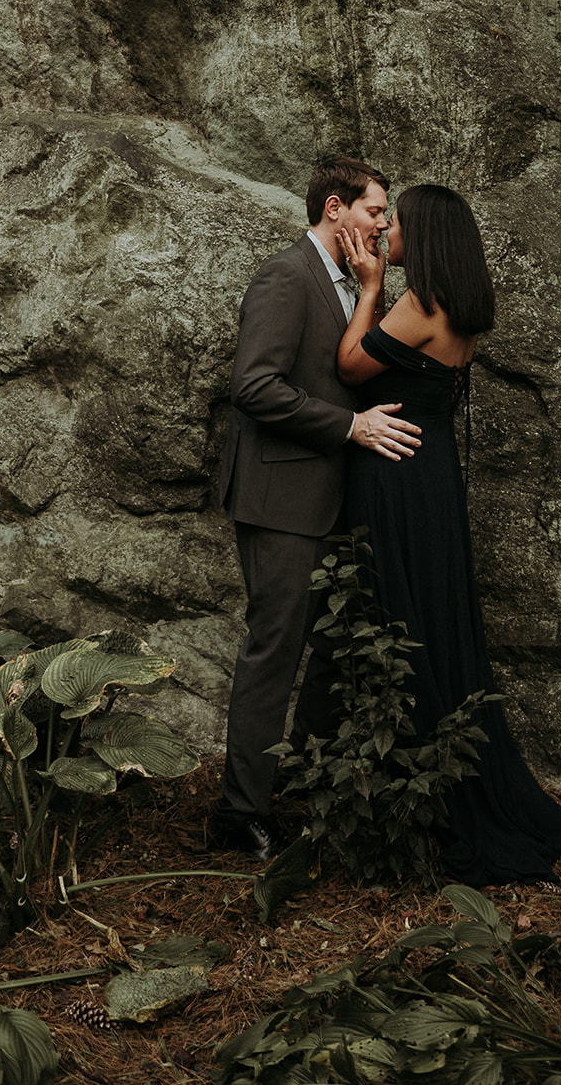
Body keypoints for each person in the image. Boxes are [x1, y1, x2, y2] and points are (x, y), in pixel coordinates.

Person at [337, 184, 561, 885]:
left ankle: (422, 790)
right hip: (435, 473)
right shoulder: (465, 309)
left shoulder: (418, 304)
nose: (385, 228)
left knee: (398, 605)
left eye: (397, 223)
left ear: (422, 238)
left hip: (394, 472)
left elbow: (352, 366)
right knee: (434, 609)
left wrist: (368, 288)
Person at [212, 155, 423, 860]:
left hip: (335, 502)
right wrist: (349, 427)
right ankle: (240, 814)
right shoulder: (284, 275)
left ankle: (299, 786)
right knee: (273, 654)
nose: (382, 225)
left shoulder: (348, 285)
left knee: (332, 654)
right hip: (279, 500)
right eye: (374, 211)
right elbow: (254, 386)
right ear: (334, 208)